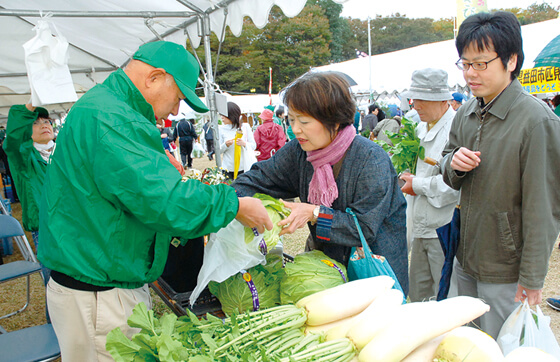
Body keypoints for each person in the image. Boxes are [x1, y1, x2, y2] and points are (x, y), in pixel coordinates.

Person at [38, 41, 272, 361]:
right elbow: (166, 202)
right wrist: (235, 205)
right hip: (98, 295)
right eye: (177, 98)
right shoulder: (113, 118)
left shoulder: (104, 108)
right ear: (154, 78)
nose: (176, 111)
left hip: (94, 278)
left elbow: (118, 178)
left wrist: (153, 160)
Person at [233, 71, 409, 295]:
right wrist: (228, 202)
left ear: (334, 121)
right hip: (328, 270)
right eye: (292, 120)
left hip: (375, 276)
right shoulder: (300, 151)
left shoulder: (370, 158)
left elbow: (363, 228)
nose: (295, 129)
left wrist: (314, 212)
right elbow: (261, 178)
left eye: (304, 121)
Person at [441, 12, 560, 338]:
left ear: (511, 60)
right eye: (464, 64)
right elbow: (446, 165)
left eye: (480, 64)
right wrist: (453, 163)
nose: (469, 74)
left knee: (504, 347)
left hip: (505, 267)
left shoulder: (537, 122)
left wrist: (533, 278)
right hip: (465, 256)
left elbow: (544, 208)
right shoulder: (466, 111)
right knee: (466, 344)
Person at [398, 68, 460, 302]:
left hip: (442, 226)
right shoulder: (420, 127)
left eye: (423, 100)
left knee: (445, 294)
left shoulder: (456, 129)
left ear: (443, 100)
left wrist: (418, 185)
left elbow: (454, 183)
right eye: (415, 99)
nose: (417, 106)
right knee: (419, 293)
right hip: (419, 224)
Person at [3, 103, 54, 283]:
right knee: (58, 288)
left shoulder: (63, 152)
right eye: (35, 122)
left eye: (47, 121)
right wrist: (29, 107)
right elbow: (14, 140)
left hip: (77, 225)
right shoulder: (24, 158)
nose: (44, 125)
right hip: (48, 230)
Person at [218, 101, 257, 179]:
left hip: (244, 168)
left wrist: (244, 144)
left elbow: (253, 146)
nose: (222, 117)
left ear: (232, 115)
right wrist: (225, 145)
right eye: (221, 115)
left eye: (224, 115)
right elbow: (218, 151)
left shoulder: (245, 127)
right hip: (228, 169)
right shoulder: (221, 129)